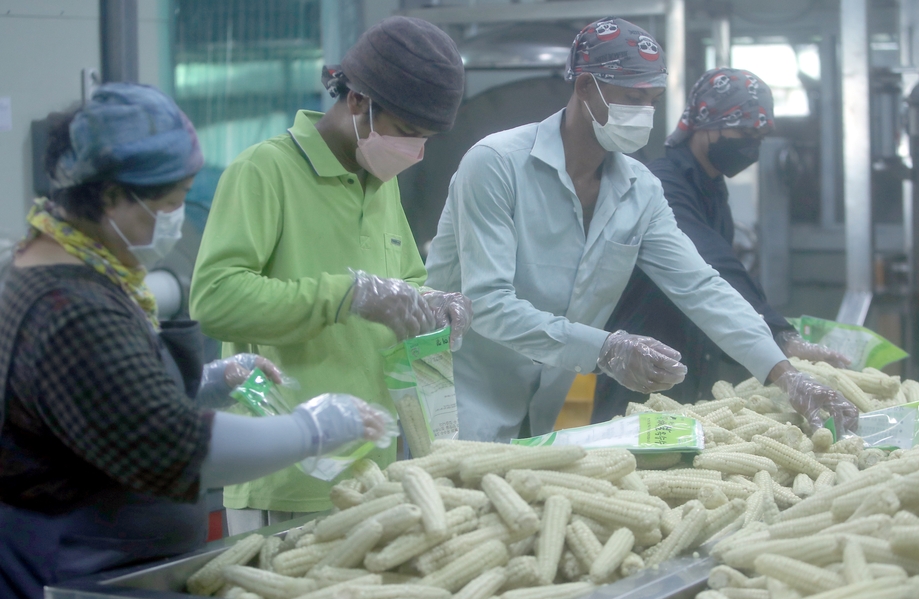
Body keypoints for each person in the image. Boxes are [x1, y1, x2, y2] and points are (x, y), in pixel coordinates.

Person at [0, 83, 391, 599]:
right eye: (167, 203)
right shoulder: (68, 307)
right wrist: (315, 428)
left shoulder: (79, 265)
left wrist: (212, 380)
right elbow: (178, 445)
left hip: (115, 566)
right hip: (76, 580)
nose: (176, 220)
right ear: (110, 196)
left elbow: (110, 404)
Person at [425, 17, 858, 443]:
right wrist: (605, 348)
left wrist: (785, 374)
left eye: (651, 99)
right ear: (584, 87)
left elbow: (701, 285)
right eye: (632, 96)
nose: (644, 113)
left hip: (542, 402)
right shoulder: (496, 164)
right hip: (462, 394)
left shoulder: (640, 188)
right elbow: (488, 302)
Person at [190, 16, 472, 535]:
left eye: (426, 138)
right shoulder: (264, 172)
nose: (416, 152)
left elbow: (405, 279)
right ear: (359, 101)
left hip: (374, 474)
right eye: (407, 133)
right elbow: (214, 298)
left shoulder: (378, 184)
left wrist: (433, 301)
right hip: (286, 480)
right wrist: (348, 295)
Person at [591, 68, 850, 423]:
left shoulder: (711, 188)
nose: (751, 146)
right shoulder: (664, 184)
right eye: (743, 132)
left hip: (686, 361)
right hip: (641, 368)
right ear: (707, 124)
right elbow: (714, 268)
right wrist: (779, 334)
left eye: (759, 136)